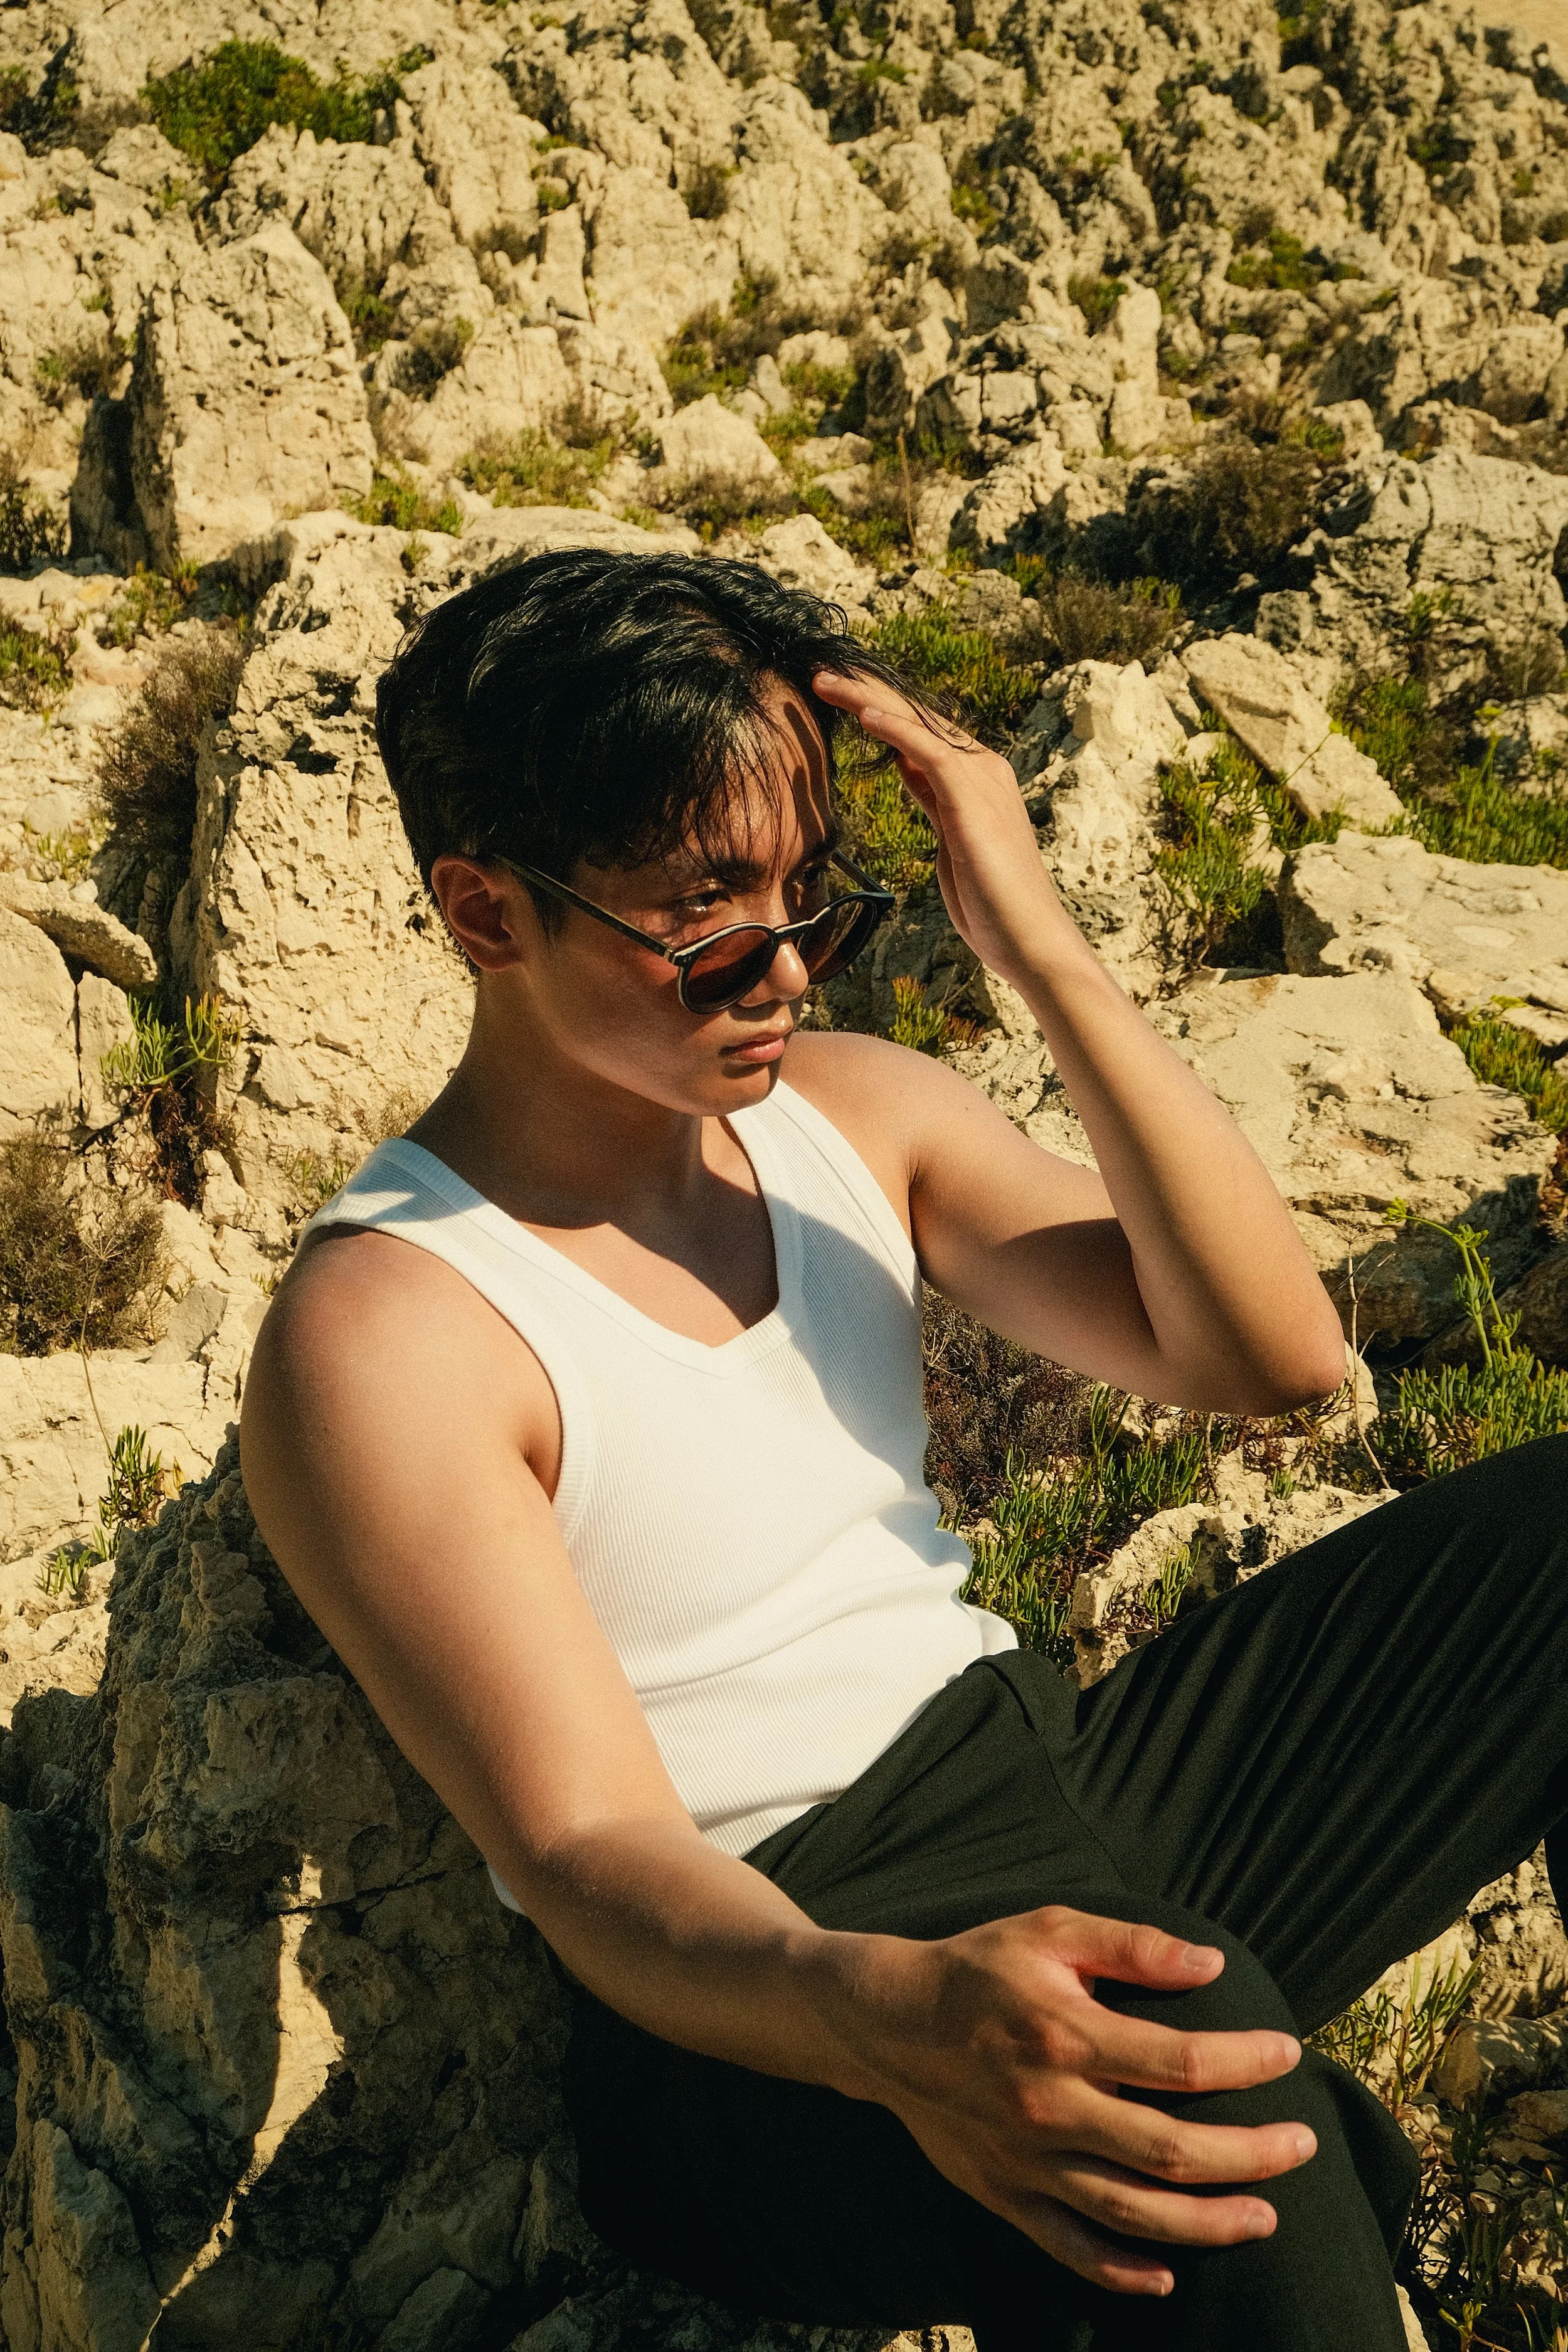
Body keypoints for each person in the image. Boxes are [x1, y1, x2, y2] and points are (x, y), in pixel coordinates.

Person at [240, 549, 1567, 2351]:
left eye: (816, 896)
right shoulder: (395, 1322)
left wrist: (1037, 943)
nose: (784, 966)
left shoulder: (850, 1118)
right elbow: (582, 1847)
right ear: (487, 913)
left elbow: (1268, 1355)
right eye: (708, 912)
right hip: (767, 1992)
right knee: (1216, 2094)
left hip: (1042, 1778)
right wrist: (885, 2014)